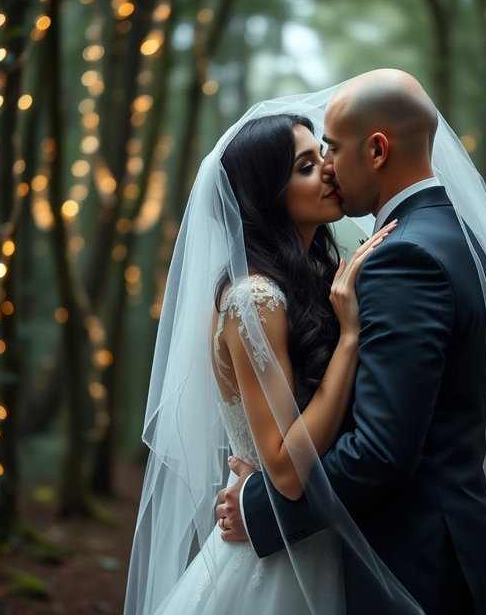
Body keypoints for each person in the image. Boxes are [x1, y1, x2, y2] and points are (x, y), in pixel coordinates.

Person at [216, 70, 486, 614]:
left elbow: (382, 448)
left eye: (332, 149)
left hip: (414, 564)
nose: (327, 165)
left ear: (376, 150)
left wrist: (260, 508)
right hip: (435, 549)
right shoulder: (454, 234)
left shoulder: (404, 256)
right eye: (309, 160)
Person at [123, 108, 417, 614]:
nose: (327, 170)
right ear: (266, 195)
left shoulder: (307, 284)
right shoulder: (254, 299)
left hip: (316, 535)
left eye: (321, 155)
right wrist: (349, 338)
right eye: (305, 166)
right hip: (277, 560)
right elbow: (283, 468)